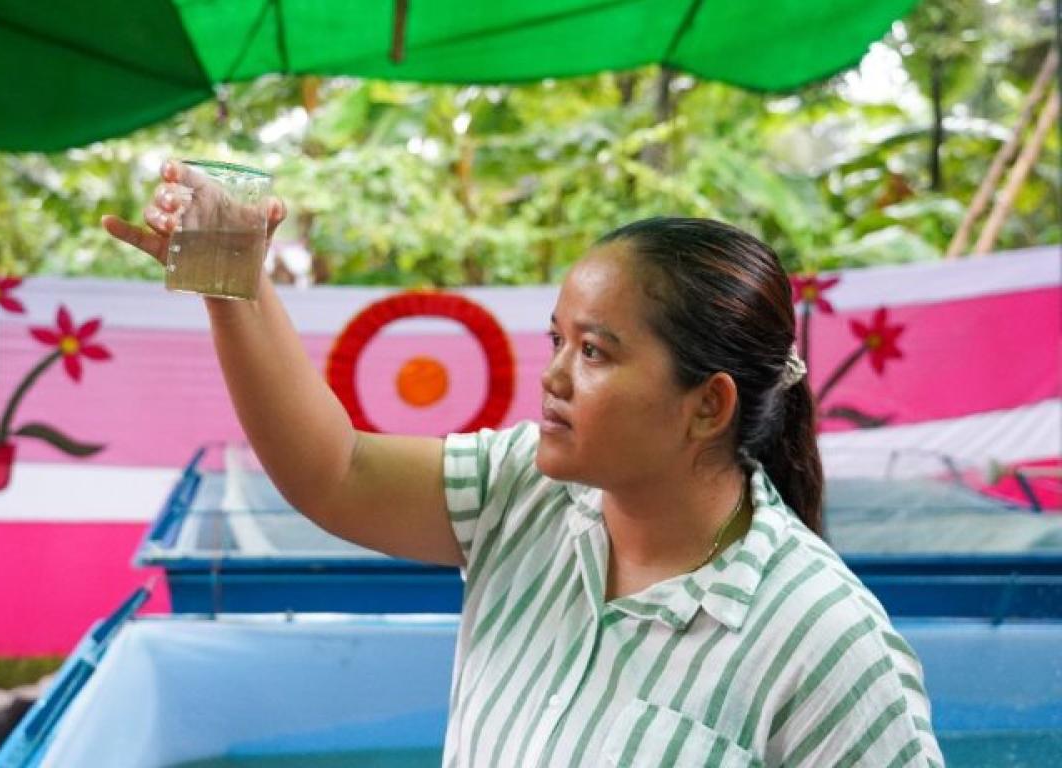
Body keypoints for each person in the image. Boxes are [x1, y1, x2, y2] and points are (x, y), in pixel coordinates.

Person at [103, 161, 945, 767]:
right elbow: (337, 468)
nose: (550, 376)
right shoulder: (529, 494)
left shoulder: (825, 640)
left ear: (709, 405)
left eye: (596, 352)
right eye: (557, 340)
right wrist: (232, 281)